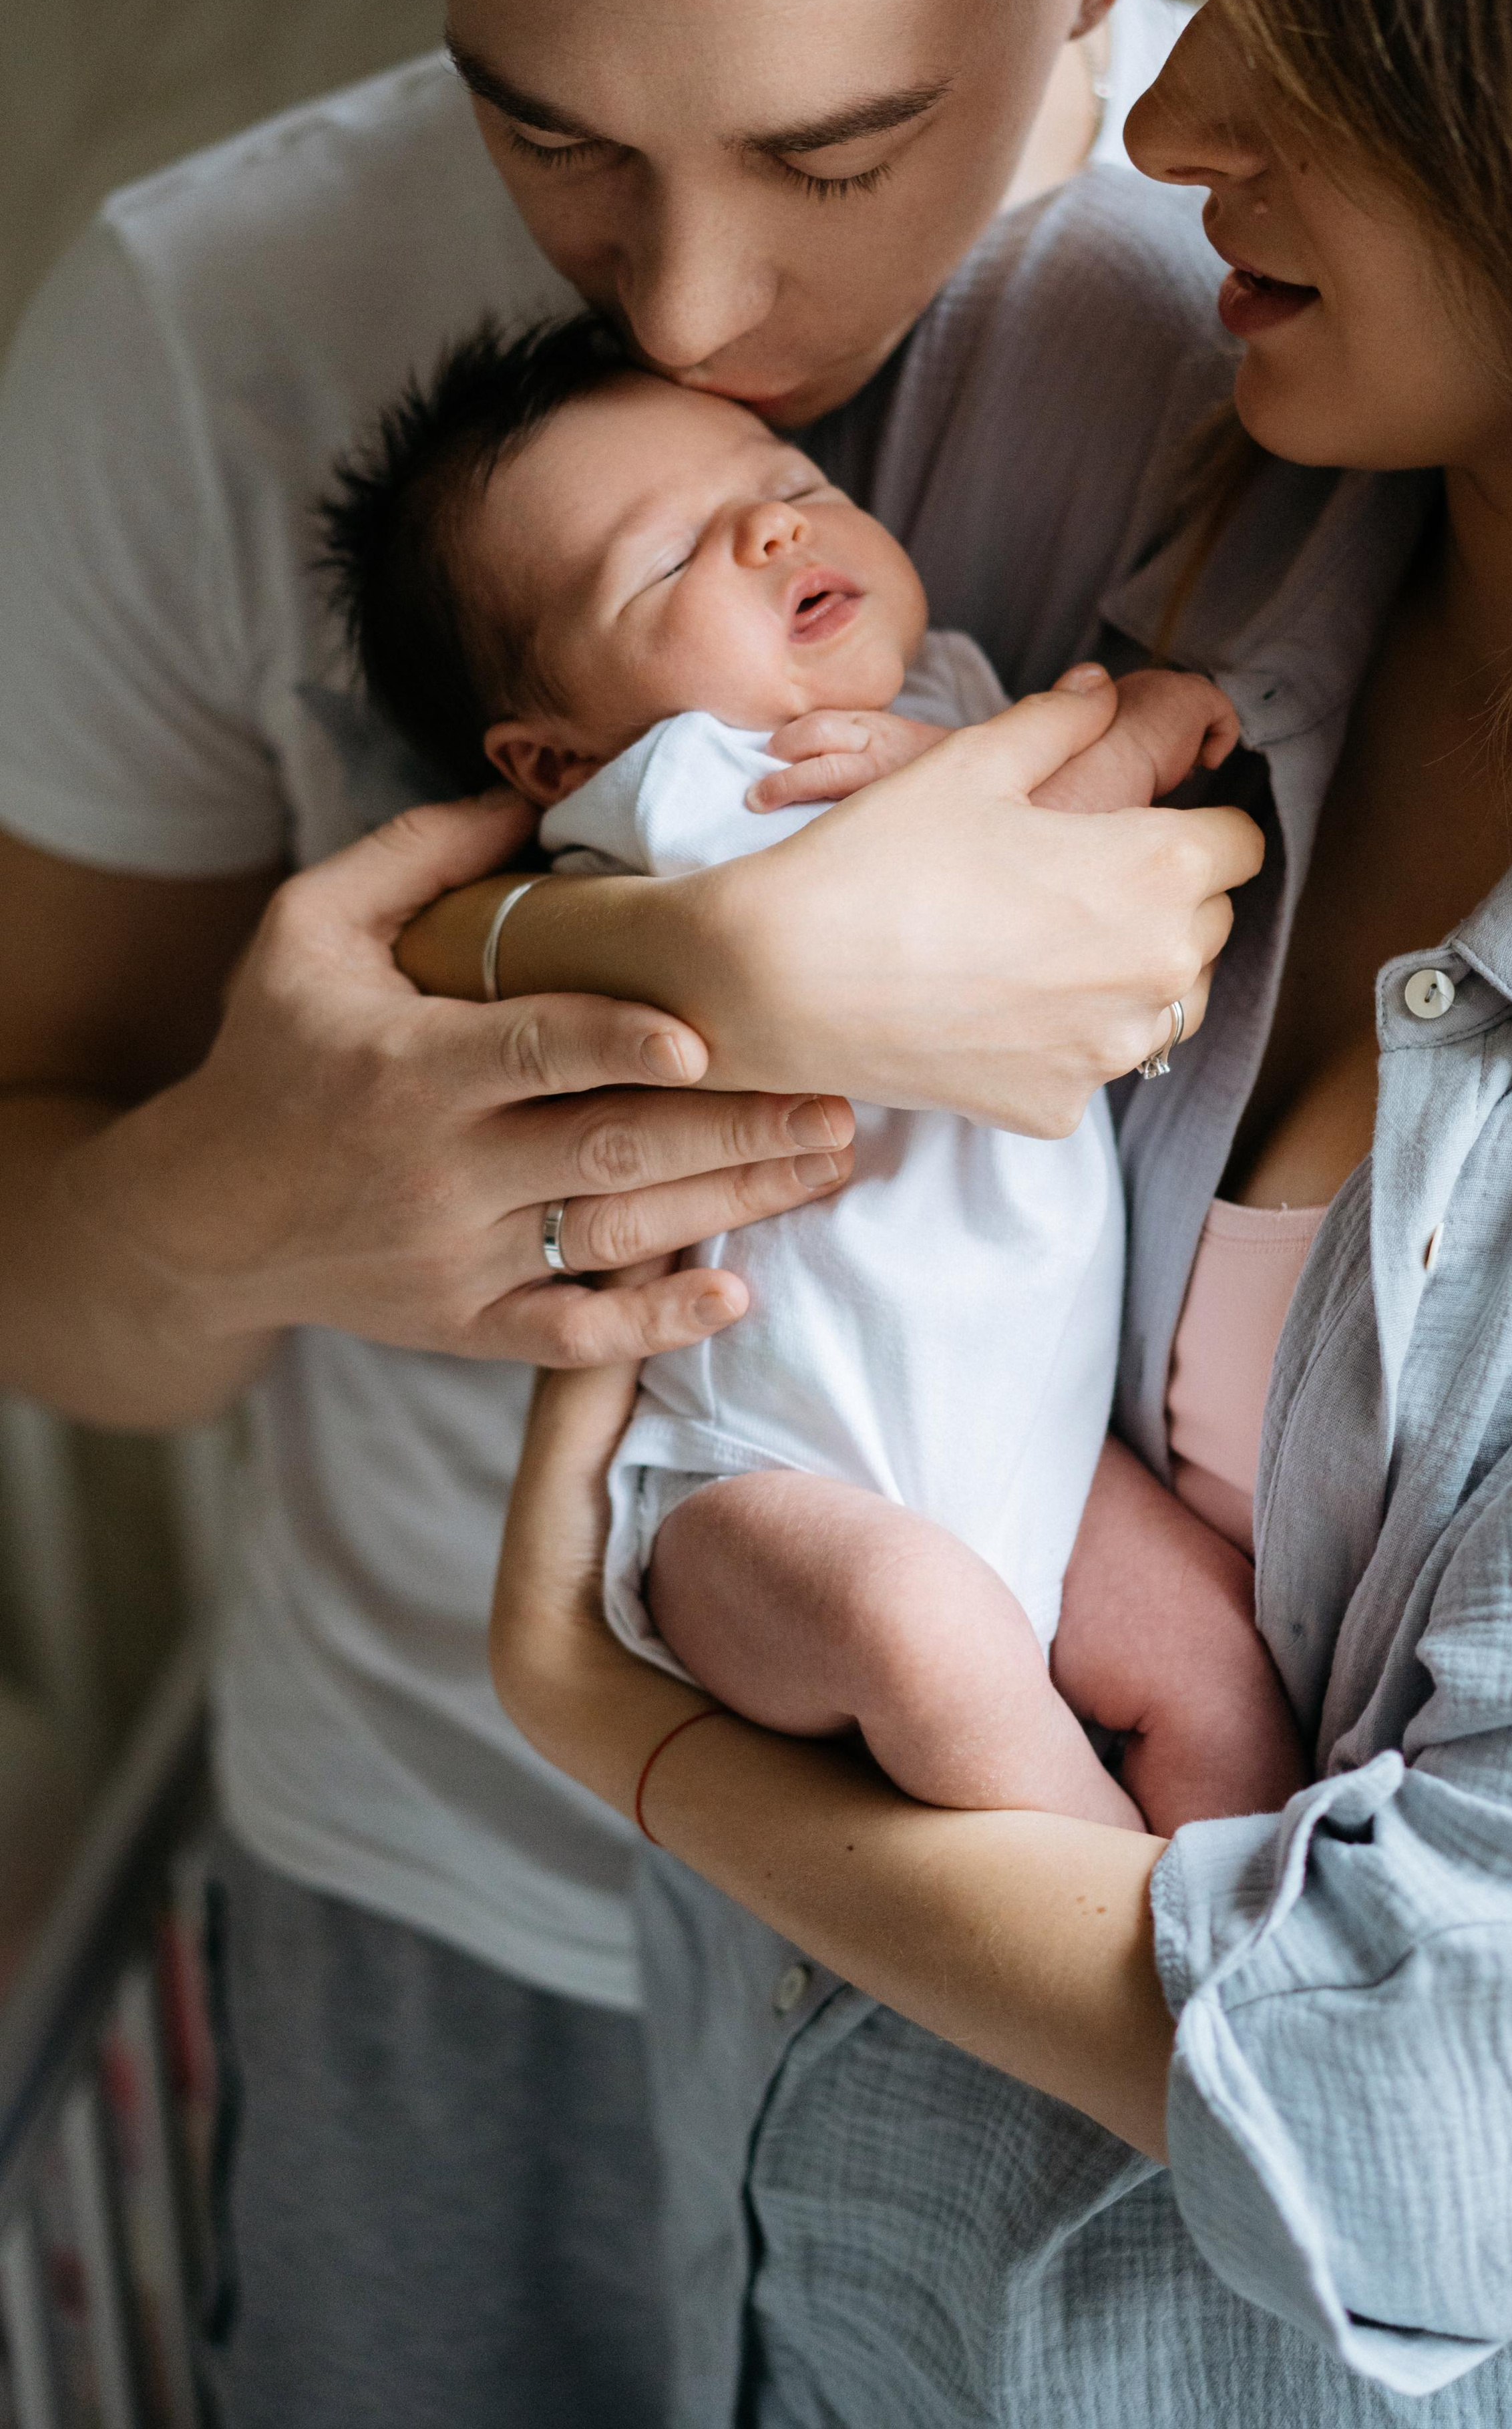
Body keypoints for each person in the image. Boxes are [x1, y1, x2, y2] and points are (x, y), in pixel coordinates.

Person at [0, 0, 1260, 2416]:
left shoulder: (1314, 260)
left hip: (1061, 1767)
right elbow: (58, 1263)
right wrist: (307, 1160)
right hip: (467, 1902)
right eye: (540, 124)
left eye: (836, 145)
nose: (686, 323)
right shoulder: (202, 320)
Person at [480, 0, 1512, 2420]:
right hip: (838, 2290)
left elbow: (1438, 2141)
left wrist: (633, 1747)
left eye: (1327, 42)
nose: (1160, 114)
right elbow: (437, 910)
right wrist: (697, 966)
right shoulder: (1168, 435)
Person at [321, 313, 1298, 1833]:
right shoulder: (669, 794)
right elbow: (973, 850)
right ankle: (1099, 1942)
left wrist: (1087, 726)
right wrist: (1132, 730)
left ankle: (1245, 1954)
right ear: (548, 761)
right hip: (758, 1492)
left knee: (1218, 1668)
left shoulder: (964, 693)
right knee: (920, 1633)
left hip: (1039, 1459)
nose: (772, 525)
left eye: (783, 482)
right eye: (667, 562)